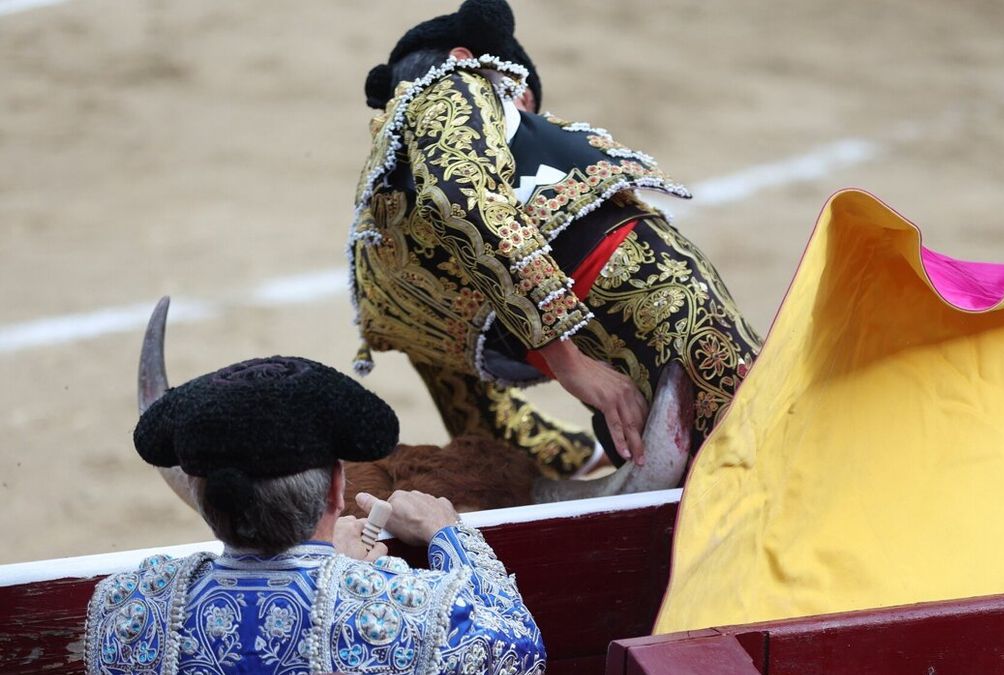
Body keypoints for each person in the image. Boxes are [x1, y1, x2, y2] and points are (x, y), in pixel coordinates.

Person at [348, 0, 761, 477]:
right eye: (520, 95)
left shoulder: (377, 258)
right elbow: (460, 198)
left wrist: (590, 450)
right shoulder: (455, 84)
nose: (522, 112)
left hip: (625, 387)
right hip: (671, 308)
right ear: (468, 60)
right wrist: (568, 360)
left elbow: (487, 432)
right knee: (768, 452)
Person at [85, 355, 545, 674]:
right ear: (336, 489)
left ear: (207, 502)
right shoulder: (415, 613)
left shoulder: (126, 609)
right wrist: (449, 537)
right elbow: (522, 653)